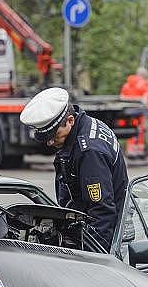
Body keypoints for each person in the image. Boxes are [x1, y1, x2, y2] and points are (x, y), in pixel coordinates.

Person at [20, 87, 128, 250]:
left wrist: (94, 258)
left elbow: (102, 213)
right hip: (91, 228)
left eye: (54, 136)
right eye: (46, 138)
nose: (50, 143)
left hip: (103, 238)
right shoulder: (85, 124)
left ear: (70, 120)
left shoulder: (89, 152)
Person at [119, 67, 148, 159]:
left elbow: (122, 97)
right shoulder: (143, 83)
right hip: (139, 111)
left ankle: (131, 152)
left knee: (131, 130)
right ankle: (139, 152)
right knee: (139, 130)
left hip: (128, 111)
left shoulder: (127, 84)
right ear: (144, 75)